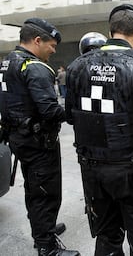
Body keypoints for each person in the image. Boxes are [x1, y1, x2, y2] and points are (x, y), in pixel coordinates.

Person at [65, 4, 133, 255]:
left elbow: (72, 118)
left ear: (112, 31)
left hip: (92, 173)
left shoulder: (76, 66)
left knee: (106, 237)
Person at [0, 18, 80, 255]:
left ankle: (43, 228)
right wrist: (75, 113)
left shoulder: (7, 62)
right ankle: (46, 245)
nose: (53, 50)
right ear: (37, 41)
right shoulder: (35, 67)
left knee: (35, 188)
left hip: (18, 137)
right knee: (46, 191)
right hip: (38, 142)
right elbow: (49, 110)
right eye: (52, 45)